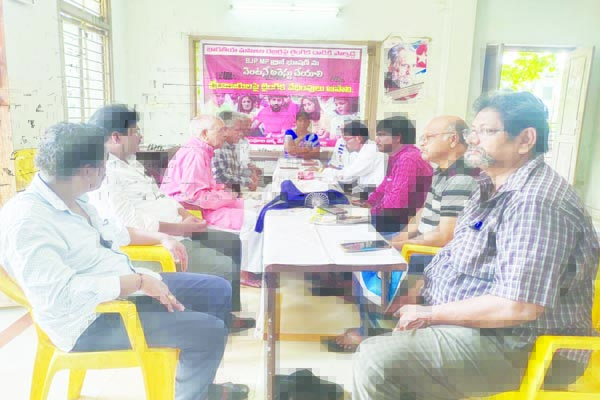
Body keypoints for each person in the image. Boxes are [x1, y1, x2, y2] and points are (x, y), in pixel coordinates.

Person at [352, 92, 600, 400]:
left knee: (376, 361)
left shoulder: (536, 203)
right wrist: (417, 289)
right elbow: (456, 251)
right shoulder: (489, 186)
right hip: (485, 328)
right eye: (474, 131)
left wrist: (431, 313)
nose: (472, 139)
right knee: (378, 311)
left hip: (519, 344)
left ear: (525, 140)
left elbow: (518, 306)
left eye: (487, 131)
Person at [0, 122, 249, 400]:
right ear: (87, 171)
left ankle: (196, 383)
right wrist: (137, 282)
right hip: (89, 320)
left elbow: (115, 231)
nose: (106, 172)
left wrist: (161, 238)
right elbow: (60, 295)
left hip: (122, 287)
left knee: (217, 290)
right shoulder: (27, 221)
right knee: (209, 331)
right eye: (103, 166)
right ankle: (192, 393)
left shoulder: (72, 197)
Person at [329, 115, 479, 352]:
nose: (422, 143)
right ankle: (373, 323)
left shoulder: (460, 178)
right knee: (364, 251)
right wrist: (397, 240)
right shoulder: (443, 172)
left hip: (435, 253)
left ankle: (371, 333)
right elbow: (420, 216)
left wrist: (398, 245)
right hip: (418, 240)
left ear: (452, 140)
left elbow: (445, 236)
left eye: (428, 138)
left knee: (368, 259)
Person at [87, 105, 249, 316]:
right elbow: (130, 222)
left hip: (178, 227)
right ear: (116, 137)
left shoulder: (131, 163)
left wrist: (185, 215)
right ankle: (214, 320)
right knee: (223, 267)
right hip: (158, 240)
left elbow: (162, 196)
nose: (140, 136)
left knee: (231, 242)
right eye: (135, 131)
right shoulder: (107, 174)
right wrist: (180, 229)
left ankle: (229, 313)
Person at [160, 115, 264, 288]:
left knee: (258, 208)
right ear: (204, 134)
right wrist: (227, 196)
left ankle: (257, 265)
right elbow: (194, 197)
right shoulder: (195, 154)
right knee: (253, 220)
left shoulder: (201, 150)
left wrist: (226, 193)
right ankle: (244, 272)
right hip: (193, 211)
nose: (225, 134)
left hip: (206, 205)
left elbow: (204, 186)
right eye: (221, 130)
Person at [353, 115, 433, 237]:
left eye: (382, 135)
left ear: (397, 137)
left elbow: (396, 203)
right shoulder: (396, 156)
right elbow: (385, 185)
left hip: (403, 224)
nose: (377, 140)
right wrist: (369, 203)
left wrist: (369, 212)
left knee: (350, 231)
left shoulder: (408, 159)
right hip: (393, 218)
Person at [321, 120, 385, 197]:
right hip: (364, 189)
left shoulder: (370, 149)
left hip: (374, 195)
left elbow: (347, 176)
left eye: (346, 139)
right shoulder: (364, 148)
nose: (344, 143)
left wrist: (322, 171)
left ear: (358, 138)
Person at [212, 111, 259, 192]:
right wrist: (248, 182)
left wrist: (251, 174)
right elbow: (221, 178)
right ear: (225, 130)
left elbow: (236, 172)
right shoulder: (218, 149)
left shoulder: (231, 147)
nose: (241, 134)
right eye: (237, 130)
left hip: (233, 193)